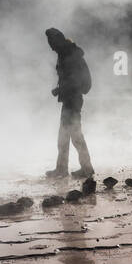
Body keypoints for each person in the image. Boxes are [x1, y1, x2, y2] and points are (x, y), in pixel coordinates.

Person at [44, 27, 94, 178]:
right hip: (70, 99)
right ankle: (63, 168)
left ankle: (85, 168)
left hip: (72, 100)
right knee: (65, 136)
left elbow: (74, 80)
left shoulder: (68, 55)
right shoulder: (66, 52)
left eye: (51, 41)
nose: (50, 46)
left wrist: (59, 90)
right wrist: (60, 89)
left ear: (57, 40)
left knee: (74, 135)